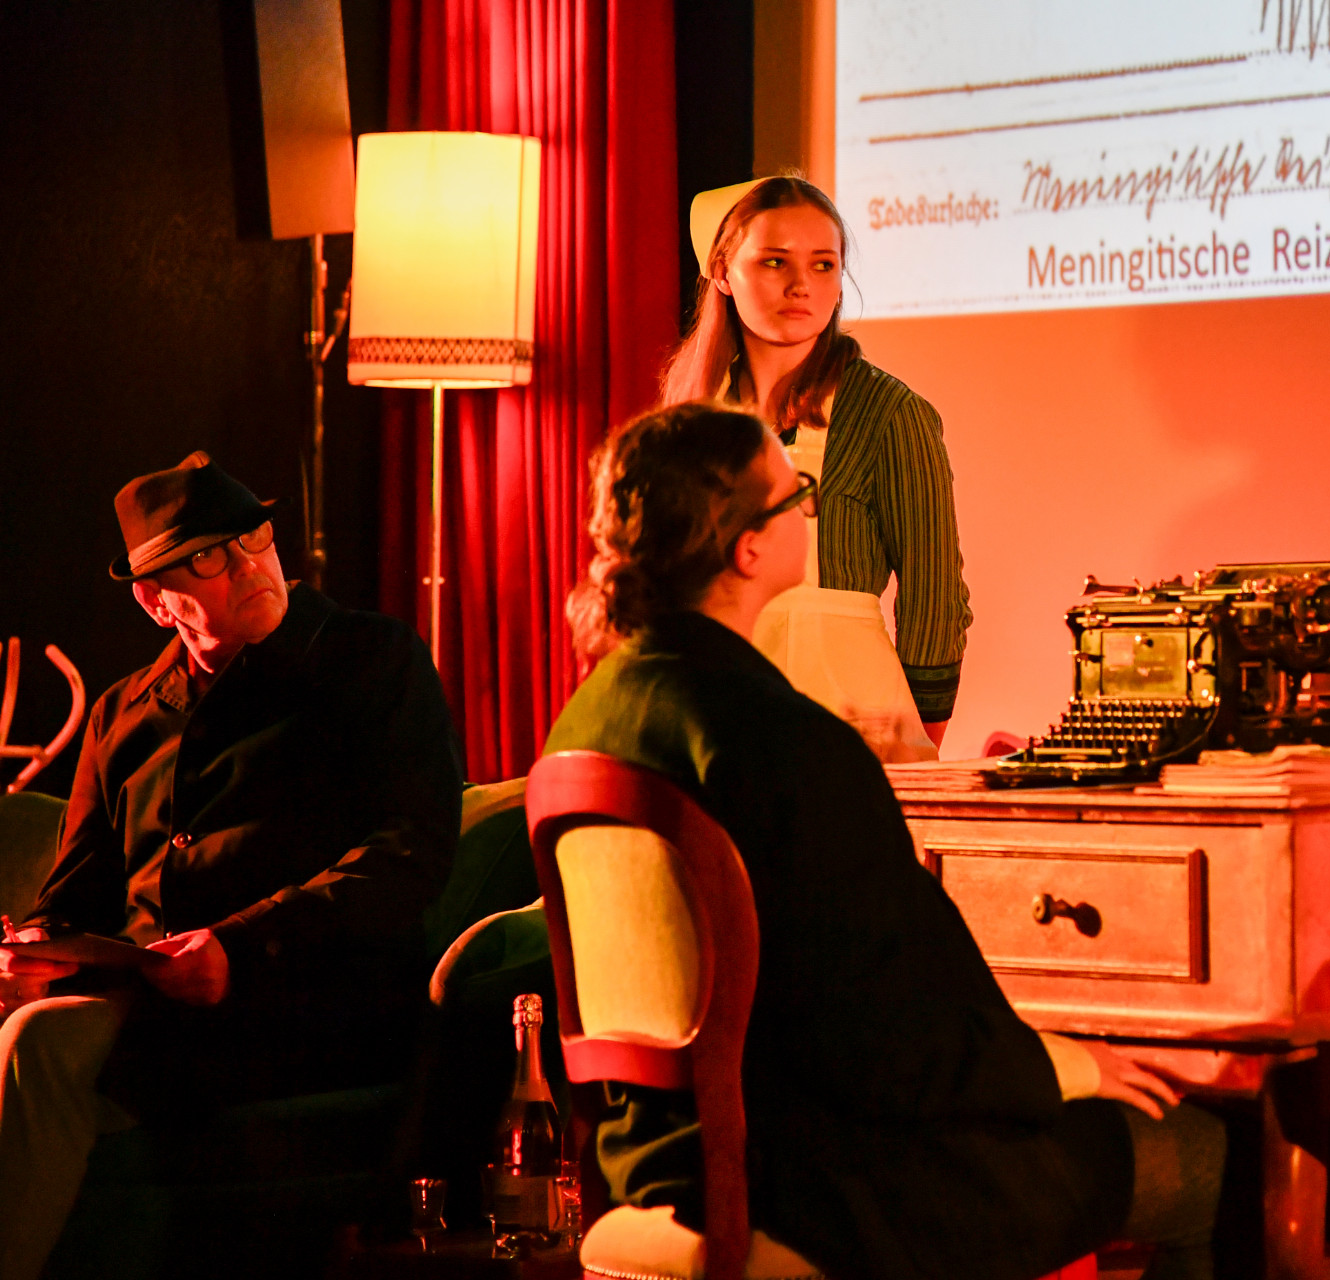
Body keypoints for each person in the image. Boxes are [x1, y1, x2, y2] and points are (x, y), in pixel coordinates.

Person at [551, 404, 1226, 1280]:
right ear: (748, 550)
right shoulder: (784, 740)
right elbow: (896, 1042)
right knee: (1205, 1152)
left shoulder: (588, 720)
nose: (809, 508)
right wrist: (1071, 1065)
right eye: (796, 495)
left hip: (650, 1164)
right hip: (826, 1186)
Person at [0, 453, 462, 1280]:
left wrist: (240, 946)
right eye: (211, 557)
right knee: (26, 1015)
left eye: (256, 538)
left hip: (306, 1001)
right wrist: (36, 949)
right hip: (149, 1005)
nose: (250, 565)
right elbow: (76, 892)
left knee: (40, 1041)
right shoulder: (121, 711)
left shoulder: (370, 659)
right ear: (155, 600)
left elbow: (409, 854)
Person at [654, 175, 968, 762]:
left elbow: (935, 599)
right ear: (722, 272)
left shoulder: (889, 414)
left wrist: (917, 742)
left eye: (824, 265)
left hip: (856, 729)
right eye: (775, 261)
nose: (801, 285)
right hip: (717, 720)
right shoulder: (693, 414)